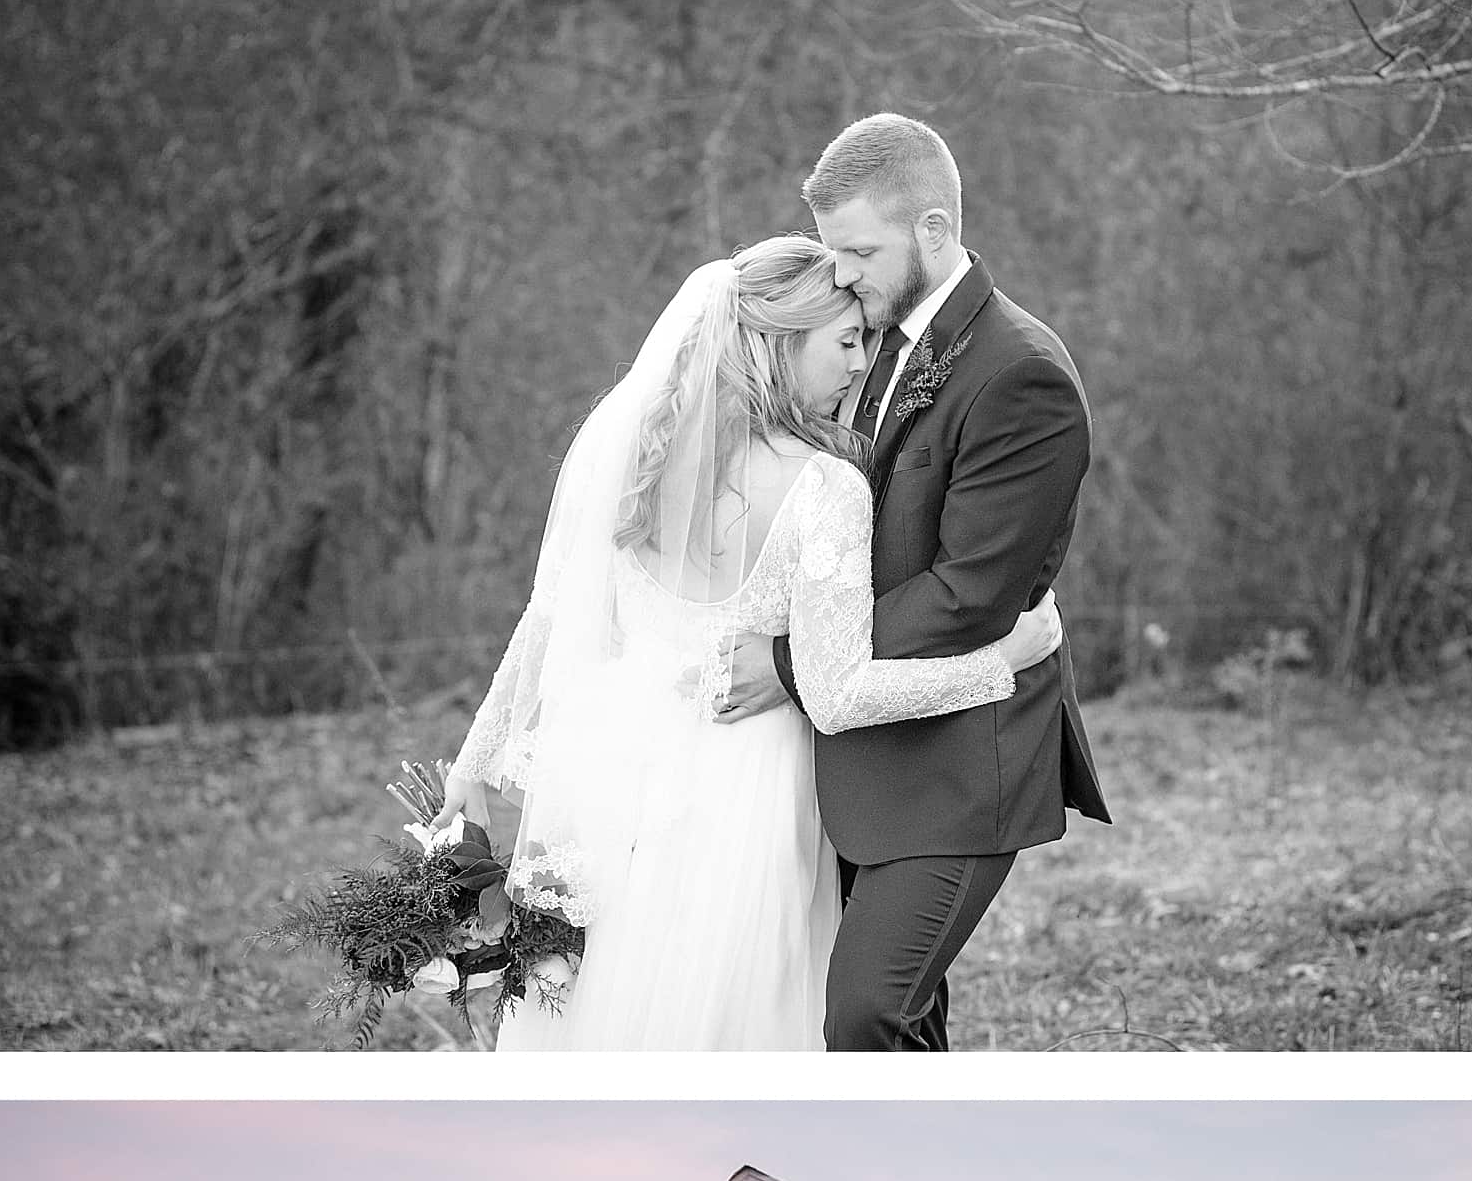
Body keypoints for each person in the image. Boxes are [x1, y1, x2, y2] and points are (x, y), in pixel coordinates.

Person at [435, 236, 1061, 1050]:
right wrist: (998, 664)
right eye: (845, 342)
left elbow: (546, 622)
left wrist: (470, 764)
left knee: (616, 999)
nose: (860, 364)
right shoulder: (825, 486)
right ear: (776, 345)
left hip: (622, 788)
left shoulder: (635, 460)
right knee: (740, 1013)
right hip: (747, 792)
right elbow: (839, 698)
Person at [717, 113, 1112, 1049]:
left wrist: (786, 661)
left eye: (859, 250)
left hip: (962, 761)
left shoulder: (1022, 376)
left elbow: (967, 596)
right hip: (855, 748)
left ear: (933, 231)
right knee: (905, 1023)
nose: (841, 276)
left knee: (866, 1015)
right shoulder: (870, 340)